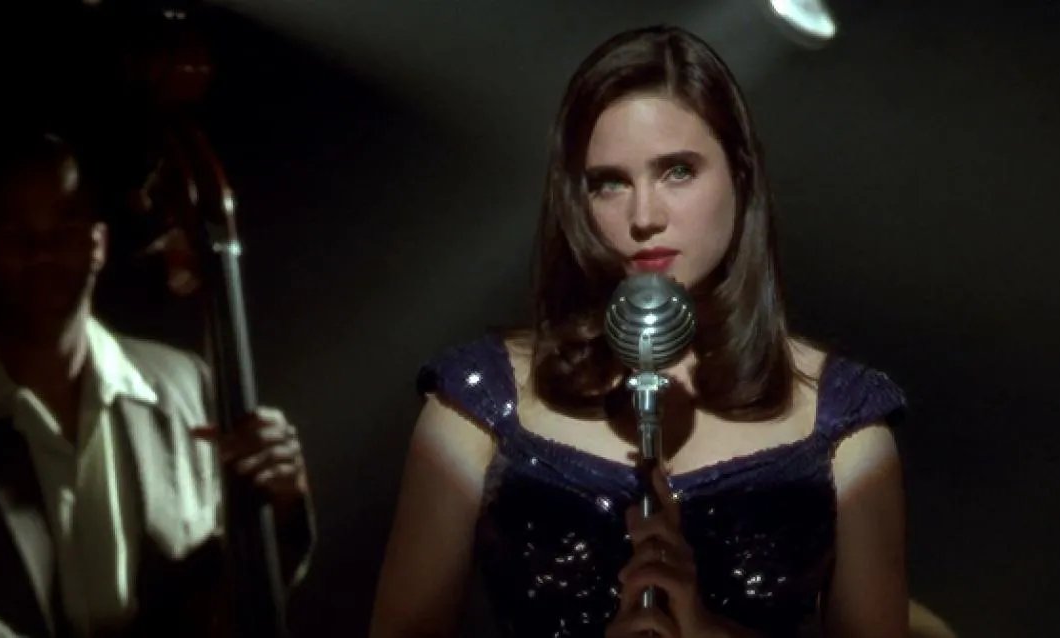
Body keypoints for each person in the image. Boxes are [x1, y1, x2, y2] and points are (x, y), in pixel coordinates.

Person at [370, 25, 907, 638]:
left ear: (741, 175)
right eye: (610, 183)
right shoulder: (479, 401)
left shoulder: (844, 421)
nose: (644, 217)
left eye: (677, 171)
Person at [0, 132, 314, 638]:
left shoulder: (186, 384)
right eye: (14, 230)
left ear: (98, 244)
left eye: (65, 224)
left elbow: (230, 597)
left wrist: (280, 506)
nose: (43, 249)